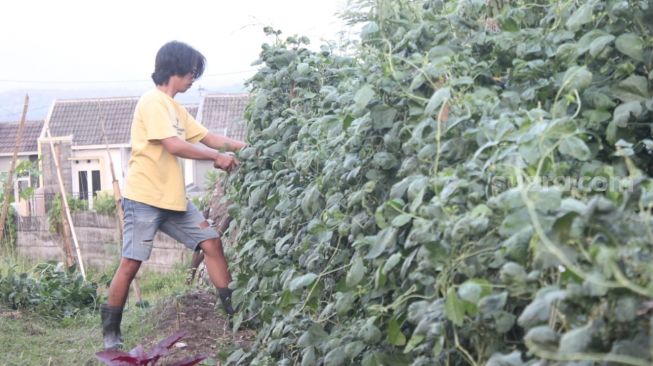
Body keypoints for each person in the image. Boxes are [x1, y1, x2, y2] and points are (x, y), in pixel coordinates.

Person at [100, 41, 246, 350]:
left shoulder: (176, 108)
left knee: (212, 242)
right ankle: (111, 331)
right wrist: (216, 158)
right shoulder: (152, 102)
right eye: (192, 72)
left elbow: (210, 137)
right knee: (131, 263)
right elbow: (174, 145)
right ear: (174, 70)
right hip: (144, 199)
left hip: (174, 201)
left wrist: (244, 147)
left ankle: (236, 315)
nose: (193, 79)